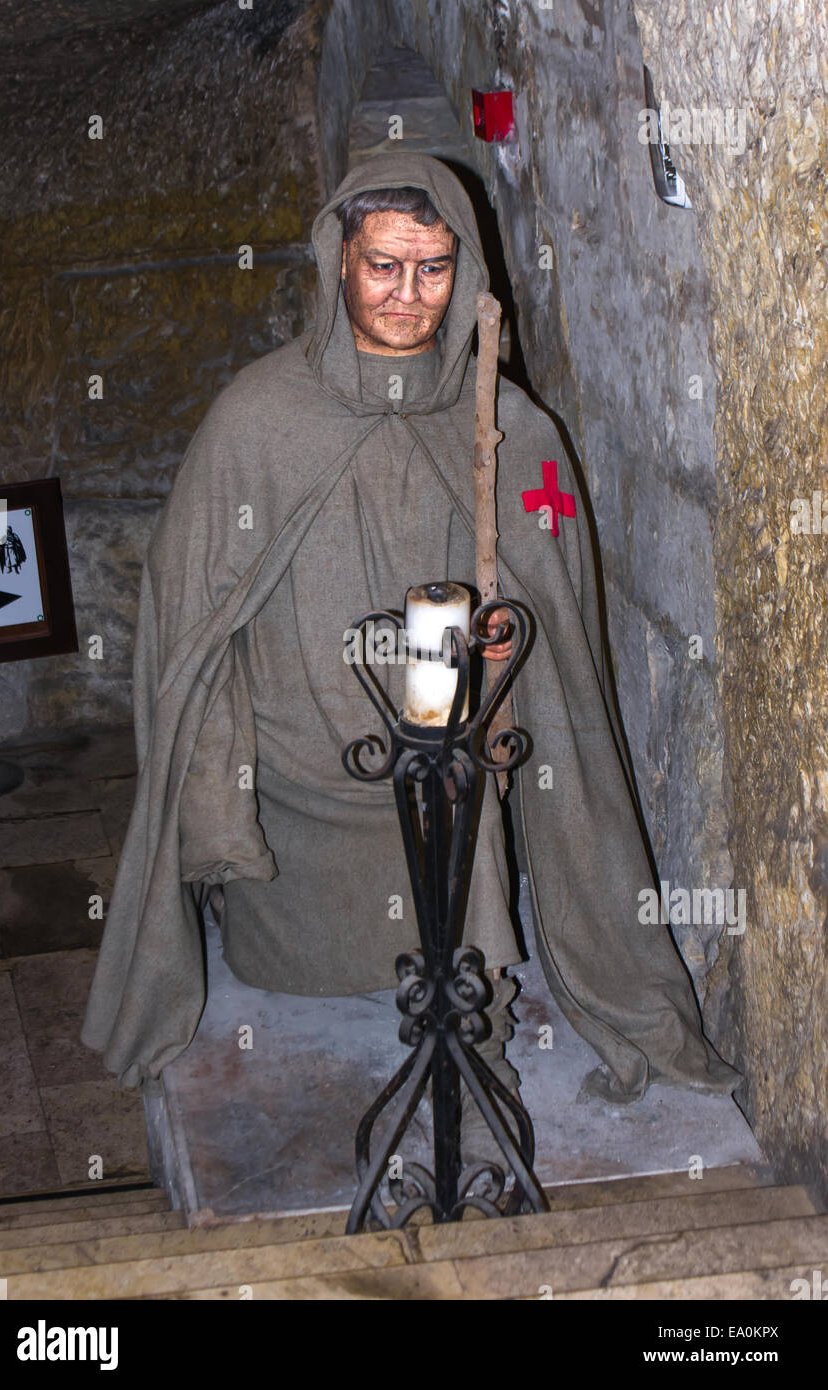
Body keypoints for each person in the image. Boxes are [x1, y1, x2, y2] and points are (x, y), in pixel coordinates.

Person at [82, 153, 741, 1121]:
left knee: (450, 776)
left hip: (443, 751)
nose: (407, 294)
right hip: (307, 775)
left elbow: (566, 658)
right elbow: (188, 633)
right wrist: (219, 785)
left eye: (432, 269)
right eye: (382, 265)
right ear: (337, 262)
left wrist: (510, 636)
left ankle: (470, 1055)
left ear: (464, 272)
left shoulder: (504, 426)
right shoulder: (257, 424)